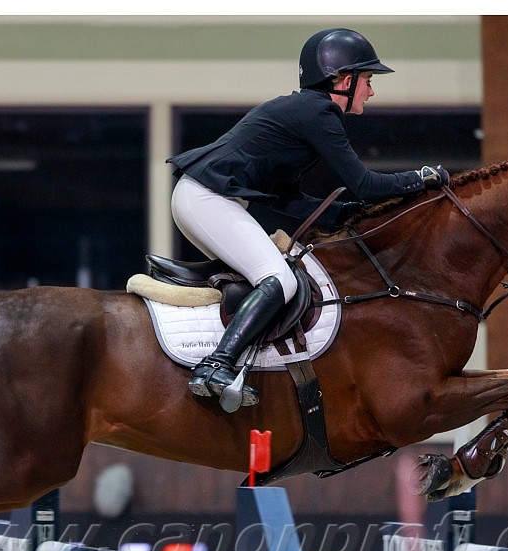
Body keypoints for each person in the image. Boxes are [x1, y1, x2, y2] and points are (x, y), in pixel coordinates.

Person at [168, 27, 449, 411]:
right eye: (367, 80)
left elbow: (288, 198)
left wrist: (343, 214)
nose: (371, 91)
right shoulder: (318, 113)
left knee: (271, 276)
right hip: (206, 199)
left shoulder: (304, 114)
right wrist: (423, 178)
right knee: (278, 278)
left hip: (204, 198)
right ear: (345, 80)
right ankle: (216, 365)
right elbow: (364, 183)